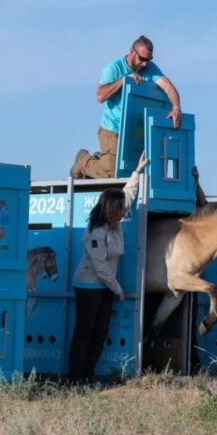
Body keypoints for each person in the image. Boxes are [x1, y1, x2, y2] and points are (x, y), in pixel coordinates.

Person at [67, 152, 148, 384]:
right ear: (112, 210)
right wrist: (118, 289)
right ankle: (74, 377)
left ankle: (88, 374)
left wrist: (137, 171)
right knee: (85, 331)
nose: (125, 211)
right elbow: (100, 267)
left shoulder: (114, 222)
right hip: (89, 286)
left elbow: (128, 194)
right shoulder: (96, 232)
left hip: (105, 287)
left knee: (100, 332)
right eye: (121, 209)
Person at [70, 35, 181, 179]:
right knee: (112, 173)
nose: (145, 64)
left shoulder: (150, 69)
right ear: (132, 51)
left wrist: (176, 108)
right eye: (142, 59)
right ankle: (83, 160)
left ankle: (104, 159)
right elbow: (100, 96)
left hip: (133, 132)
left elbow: (167, 86)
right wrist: (123, 81)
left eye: (148, 60)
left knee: (133, 171)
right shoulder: (114, 68)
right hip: (112, 129)